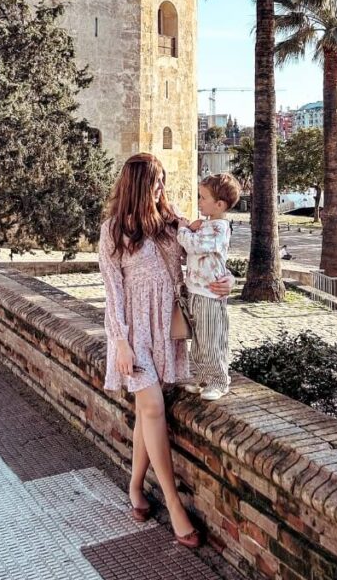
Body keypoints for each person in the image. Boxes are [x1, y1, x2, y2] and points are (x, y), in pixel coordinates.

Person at [98, 153, 232, 547]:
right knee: (153, 407)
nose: (161, 189)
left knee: (147, 412)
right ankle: (174, 505)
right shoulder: (112, 231)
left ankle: (135, 487)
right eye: (155, 182)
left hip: (165, 328)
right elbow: (112, 293)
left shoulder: (173, 225)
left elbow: (207, 260)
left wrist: (227, 281)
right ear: (138, 184)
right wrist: (120, 342)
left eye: (163, 182)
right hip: (131, 331)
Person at [178, 172, 241, 401]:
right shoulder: (207, 225)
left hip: (210, 294)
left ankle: (219, 381)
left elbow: (194, 246)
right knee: (198, 342)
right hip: (196, 292)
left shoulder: (219, 228)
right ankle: (203, 378)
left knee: (212, 340)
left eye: (203, 198)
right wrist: (194, 226)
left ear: (219, 204)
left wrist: (184, 229)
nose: (199, 202)